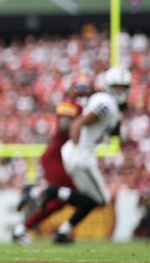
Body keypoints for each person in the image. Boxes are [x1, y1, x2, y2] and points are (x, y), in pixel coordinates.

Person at [53, 66, 130, 244]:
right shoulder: (106, 104)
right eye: (117, 87)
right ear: (109, 86)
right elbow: (77, 124)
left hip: (82, 154)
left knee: (93, 200)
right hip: (81, 155)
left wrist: (120, 117)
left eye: (123, 87)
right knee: (101, 198)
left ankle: (63, 231)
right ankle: (52, 192)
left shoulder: (112, 107)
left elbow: (113, 134)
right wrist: (78, 150)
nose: (120, 91)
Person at [11, 77, 92, 245]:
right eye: (81, 89)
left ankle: (22, 229)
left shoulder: (88, 109)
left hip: (65, 158)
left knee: (58, 204)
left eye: (86, 90)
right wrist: (85, 121)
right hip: (56, 157)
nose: (83, 93)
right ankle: (35, 191)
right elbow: (65, 127)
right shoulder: (70, 106)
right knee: (77, 196)